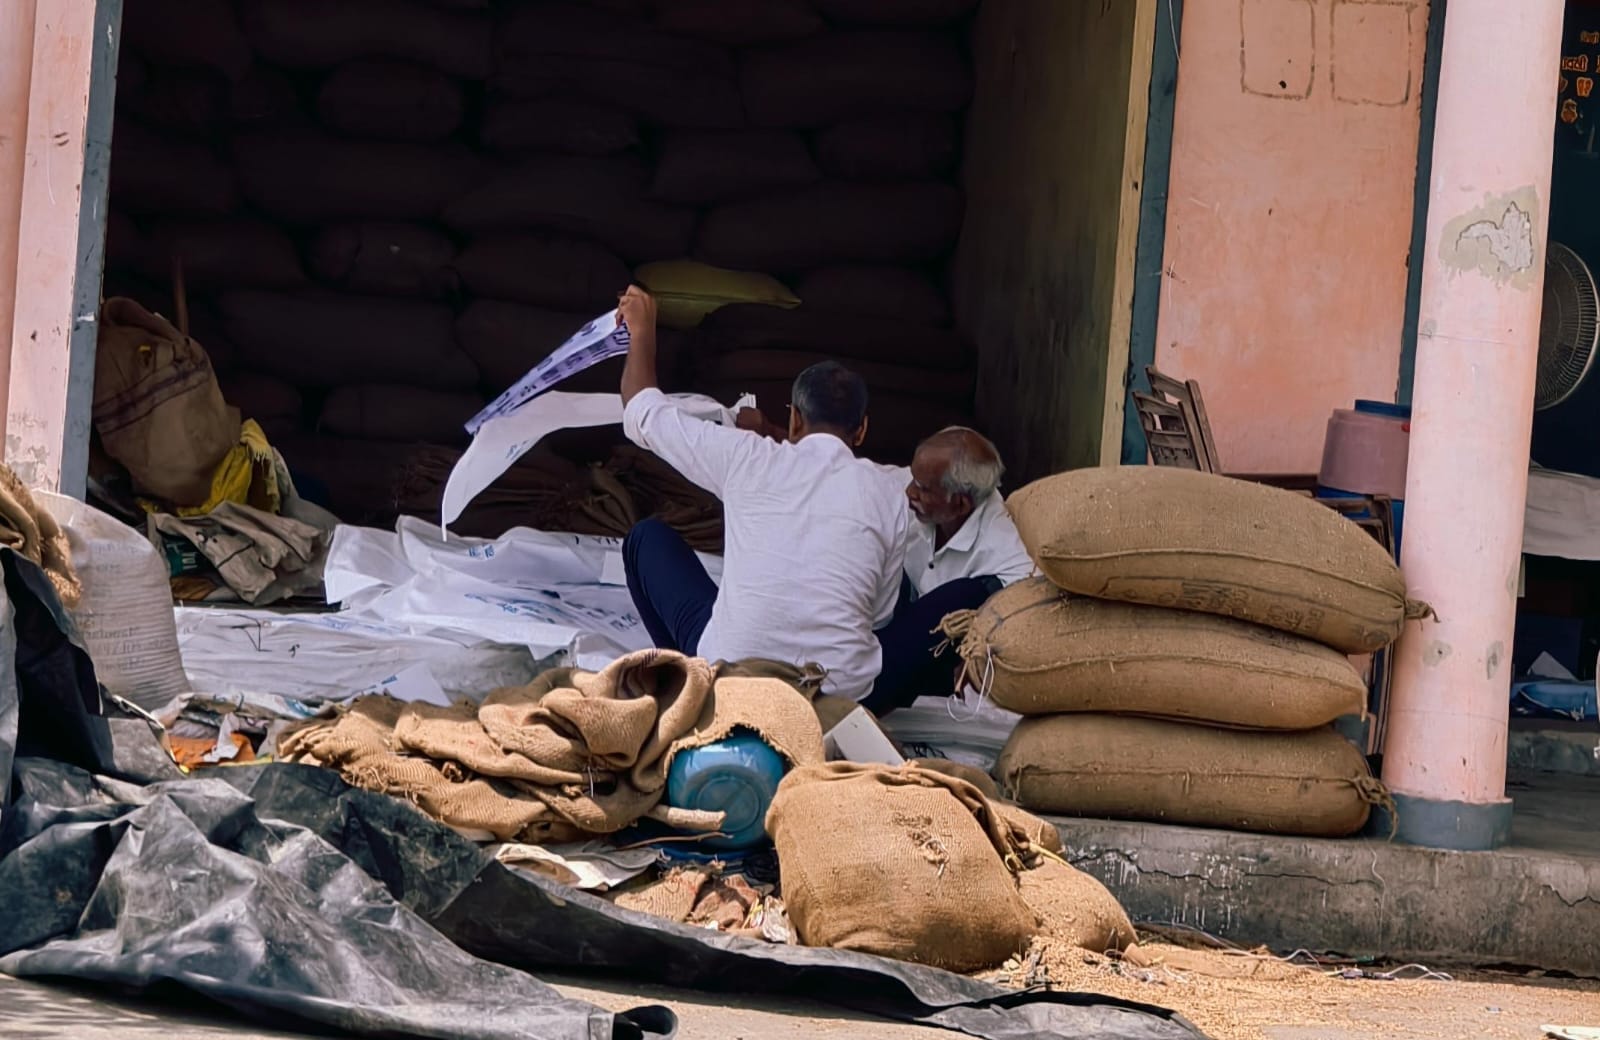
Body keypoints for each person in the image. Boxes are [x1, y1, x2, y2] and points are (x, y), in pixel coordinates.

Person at [616, 286, 910, 703]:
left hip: (735, 676)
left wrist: (642, 329)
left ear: (793, 420)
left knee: (646, 539)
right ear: (861, 431)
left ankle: (684, 689)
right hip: (836, 695)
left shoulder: (748, 457)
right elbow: (879, 616)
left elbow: (641, 413)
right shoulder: (891, 492)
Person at [862, 427, 1035, 716]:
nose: (909, 492)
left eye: (923, 488)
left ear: (960, 504)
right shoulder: (913, 487)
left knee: (967, 594)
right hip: (887, 623)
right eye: (913, 479)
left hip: (931, 658)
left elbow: (1030, 619)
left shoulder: (1002, 554)